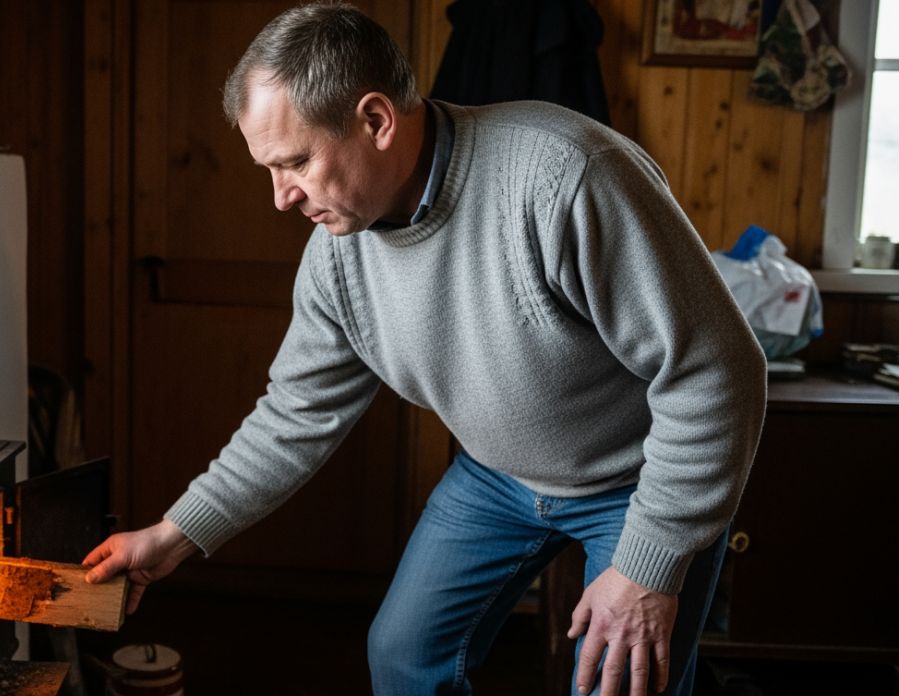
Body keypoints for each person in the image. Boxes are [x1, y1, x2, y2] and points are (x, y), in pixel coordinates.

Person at [83, 4, 766, 695]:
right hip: (498, 476)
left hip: (642, 479)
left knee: (621, 685)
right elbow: (296, 414)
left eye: (296, 162)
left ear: (376, 121)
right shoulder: (337, 257)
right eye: (269, 168)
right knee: (403, 655)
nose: (281, 198)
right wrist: (174, 534)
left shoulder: (566, 176)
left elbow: (719, 373)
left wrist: (648, 570)